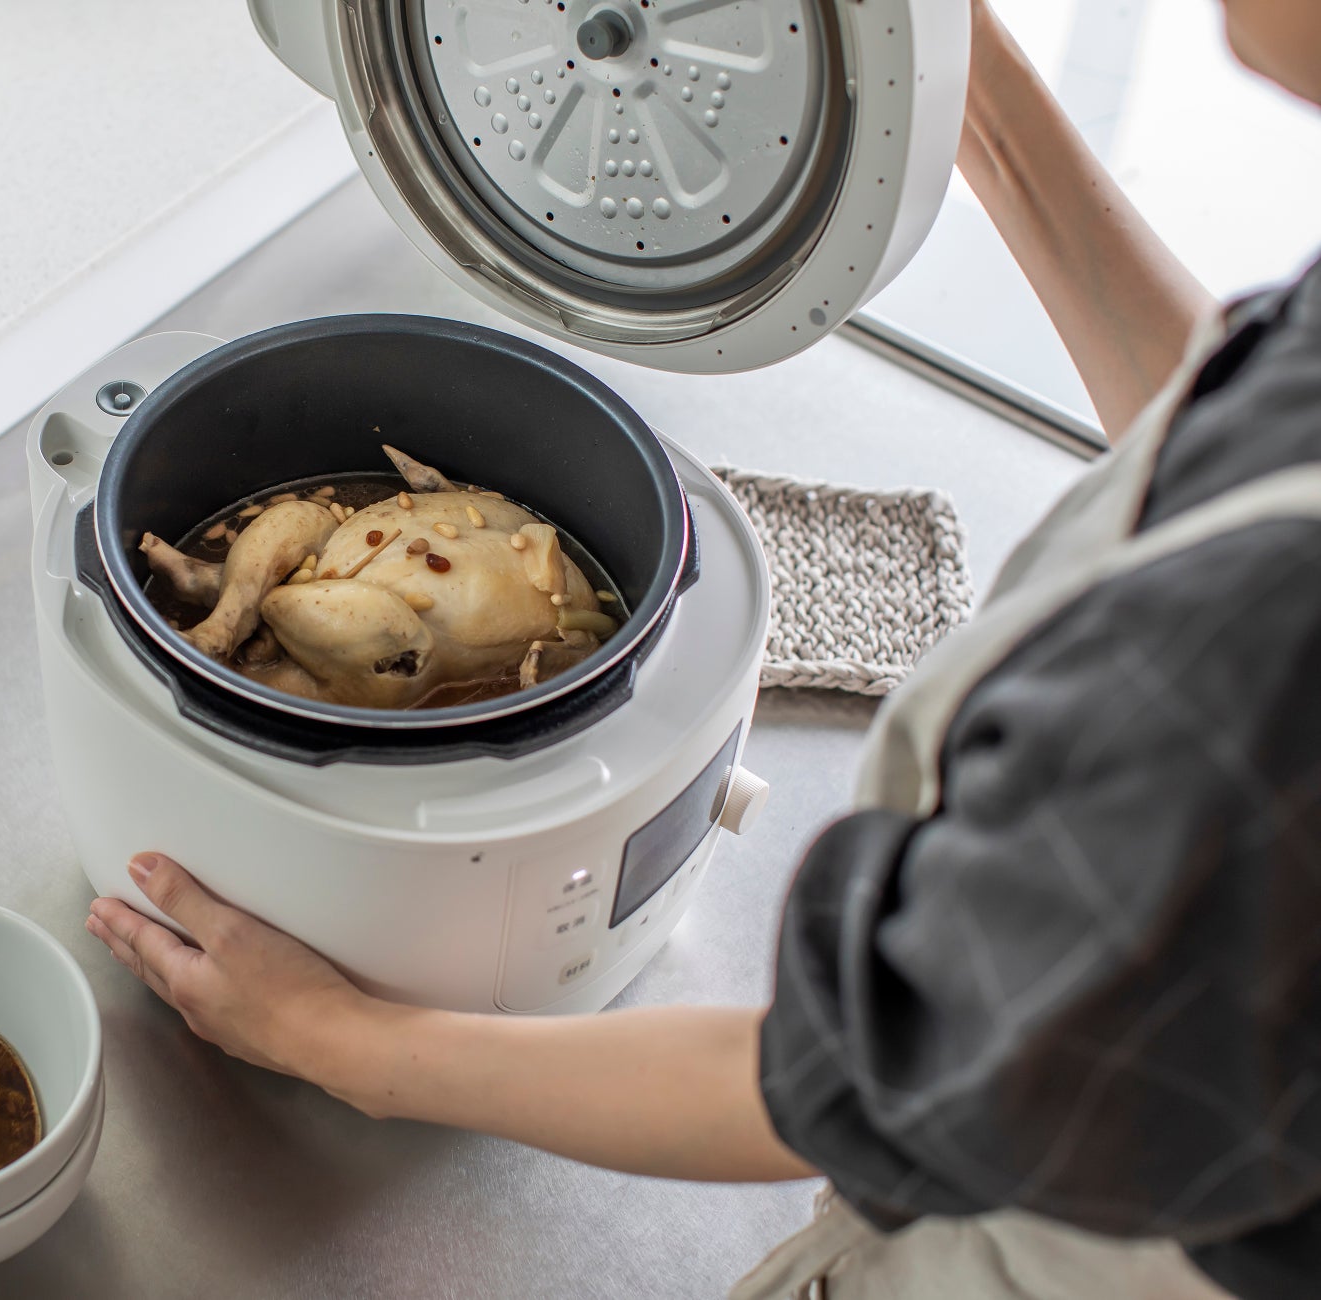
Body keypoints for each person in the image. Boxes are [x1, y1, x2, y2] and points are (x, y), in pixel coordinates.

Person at [85, 1, 1321, 1294]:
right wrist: (965, 73)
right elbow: (1221, 419)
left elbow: (845, 1078)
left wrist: (338, 1040)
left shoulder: (1258, 660)